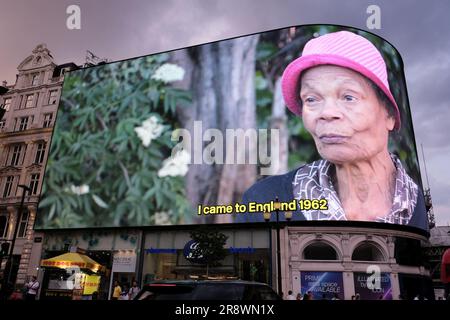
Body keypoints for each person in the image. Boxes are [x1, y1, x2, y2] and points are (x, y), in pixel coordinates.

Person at [237, 31, 427, 231]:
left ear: (389, 114)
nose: (326, 113)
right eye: (311, 99)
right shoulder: (263, 201)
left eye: (348, 97)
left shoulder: (424, 207)